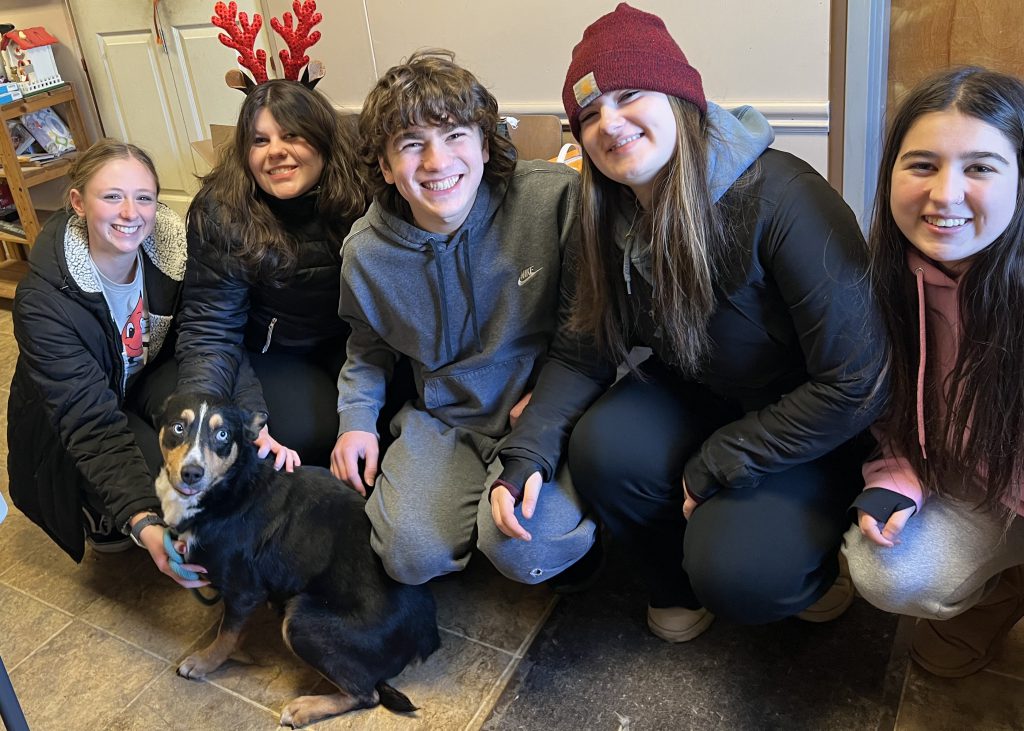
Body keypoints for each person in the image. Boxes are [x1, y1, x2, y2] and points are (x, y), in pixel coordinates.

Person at [494, 3, 886, 642]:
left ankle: (810, 558)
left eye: (629, 96)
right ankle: (673, 581)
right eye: (589, 115)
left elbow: (858, 383)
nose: (609, 124)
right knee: (603, 446)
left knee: (743, 574)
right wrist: (527, 453)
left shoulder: (786, 198)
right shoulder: (604, 214)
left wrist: (719, 459)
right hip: (701, 392)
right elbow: (580, 348)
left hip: (809, 421)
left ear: (681, 98)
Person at [331, 49, 596, 586]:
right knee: (407, 558)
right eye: (411, 144)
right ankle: (466, 516)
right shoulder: (366, 252)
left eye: (454, 136)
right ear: (385, 167)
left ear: (483, 141)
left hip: (540, 412)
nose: (436, 161)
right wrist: (356, 421)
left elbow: (596, 327)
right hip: (445, 420)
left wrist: (549, 401)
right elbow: (367, 345)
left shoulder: (552, 198)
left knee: (527, 550)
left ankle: (512, 526)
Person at [842, 66, 1024, 677]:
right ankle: (1001, 590)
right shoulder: (886, 278)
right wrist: (896, 475)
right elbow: (893, 405)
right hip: (969, 485)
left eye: (980, 167)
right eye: (922, 165)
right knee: (888, 570)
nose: (945, 194)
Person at [7, 139, 206, 588]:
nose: (130, 213)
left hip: (138, 376)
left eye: (143, 198)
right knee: (160, 481)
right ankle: (99, 511)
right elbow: (88, 421)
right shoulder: (44, 301)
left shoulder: (171, 252)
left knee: (196, 451)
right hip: (70, 415)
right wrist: (143, 520)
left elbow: (195, 343)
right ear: (78, 203)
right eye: (112, 196)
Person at [176, 80, 367, 469]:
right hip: (271, 350)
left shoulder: (363, 190)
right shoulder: (222, 211)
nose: (276, 152)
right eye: (260, 141)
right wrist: (223, 413)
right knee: (303, 435)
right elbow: (210, 328)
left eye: (292, 135)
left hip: (353, 341)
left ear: (324, 140)